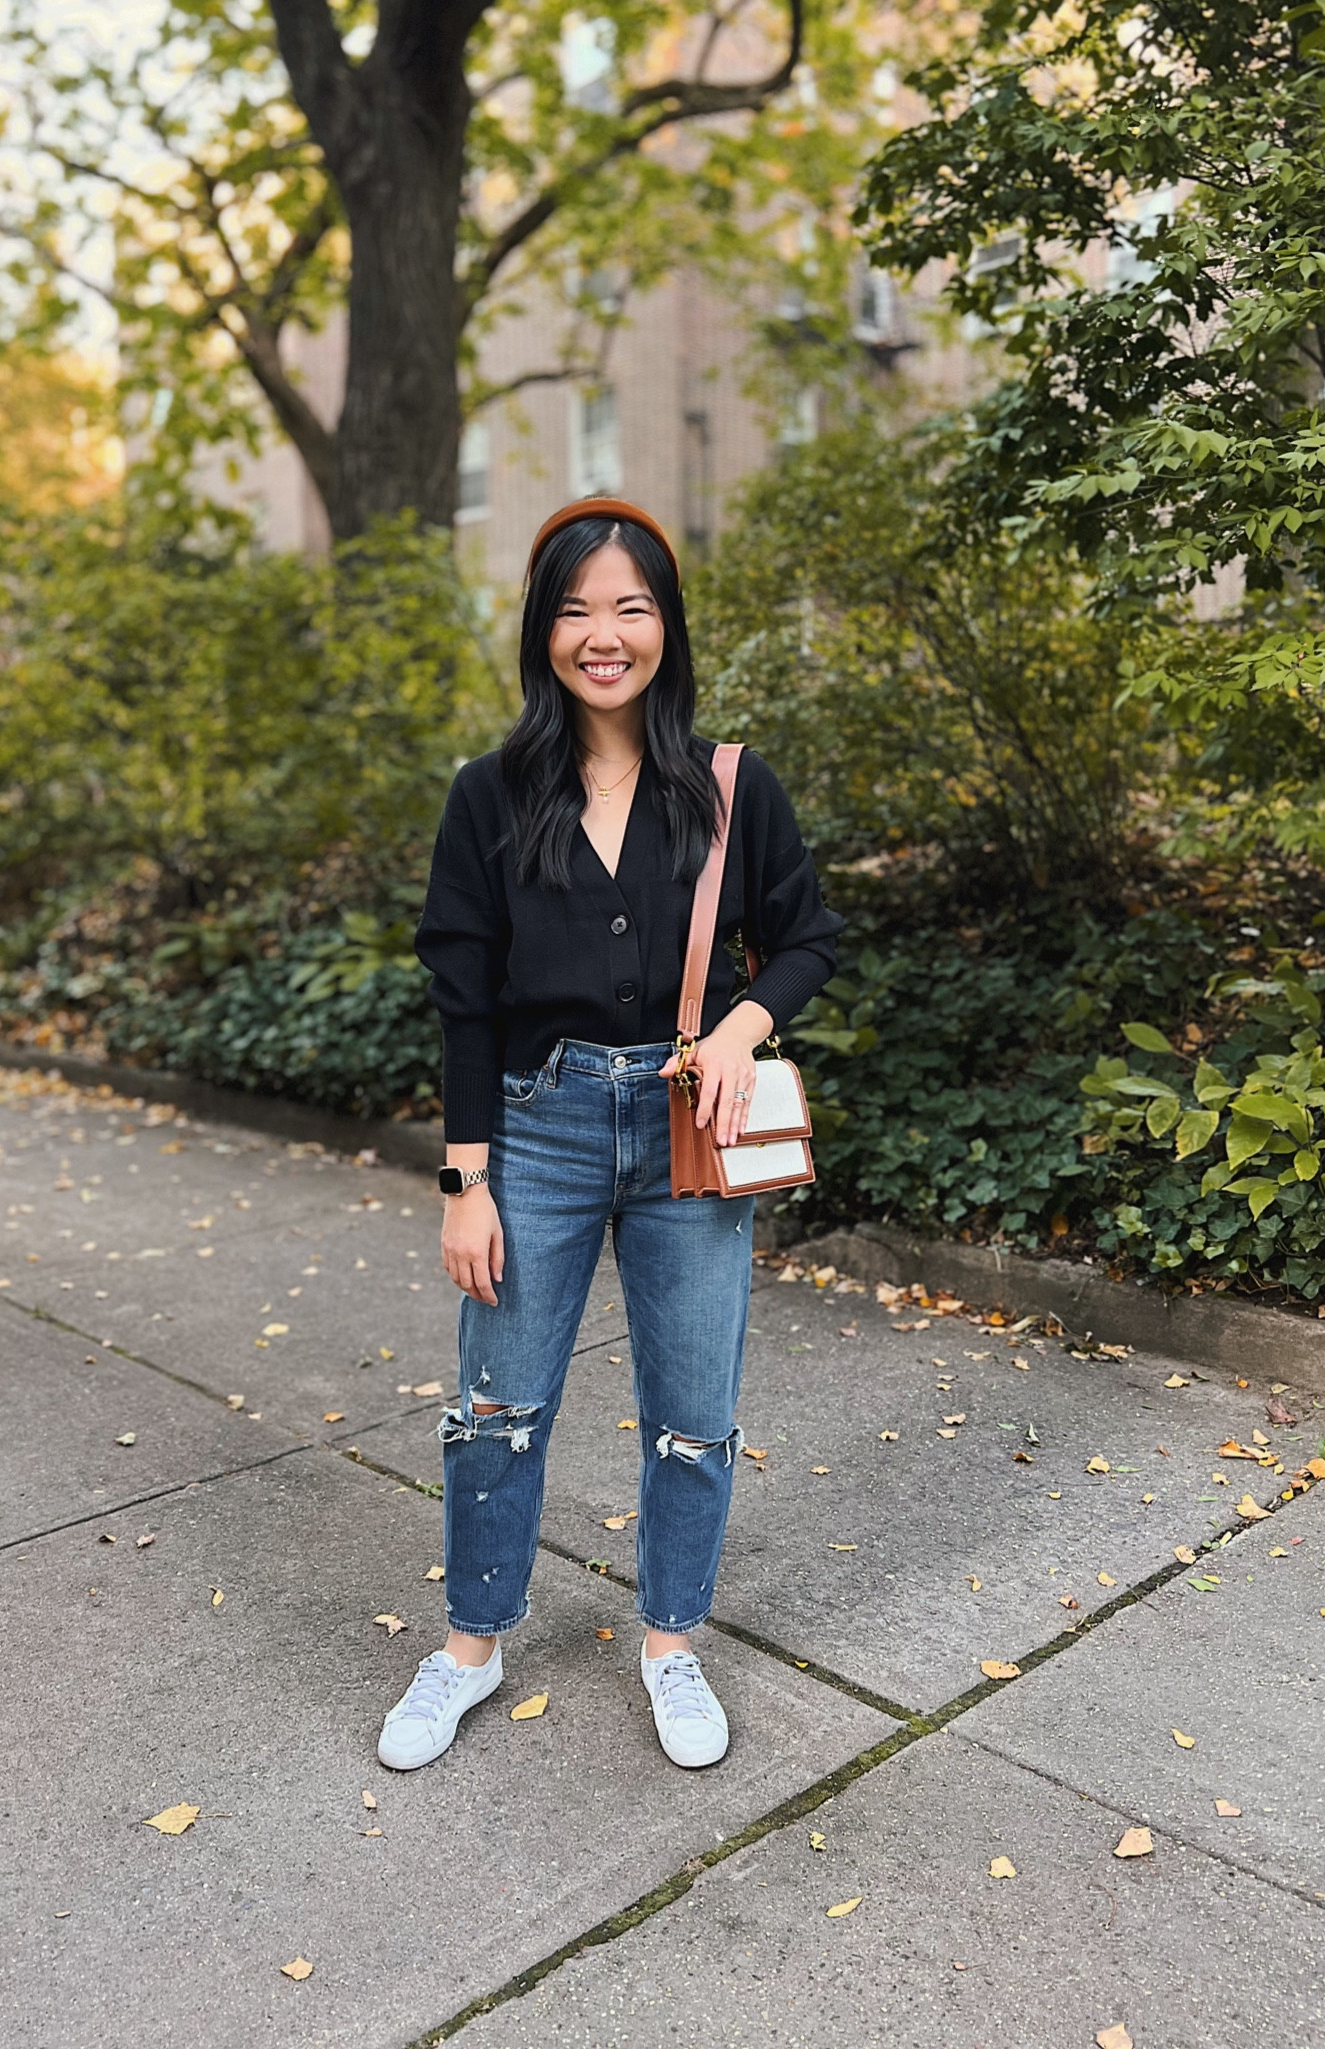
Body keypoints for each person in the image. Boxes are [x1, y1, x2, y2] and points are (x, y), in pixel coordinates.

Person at [378, 497, 842, 1772]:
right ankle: (469, 1650)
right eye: (577, 609)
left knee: (693, 1408)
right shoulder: (488, 798)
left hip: (689, 1127)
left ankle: (672, 1643)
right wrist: (464, 1179)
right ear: (543, 632)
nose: (604, 634)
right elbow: (463, 1000)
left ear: (665, 629)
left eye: (630, 608)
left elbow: (808, 936)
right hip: (539, 1133)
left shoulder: (731, 788)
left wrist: (744, 1026)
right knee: (495, 1405)